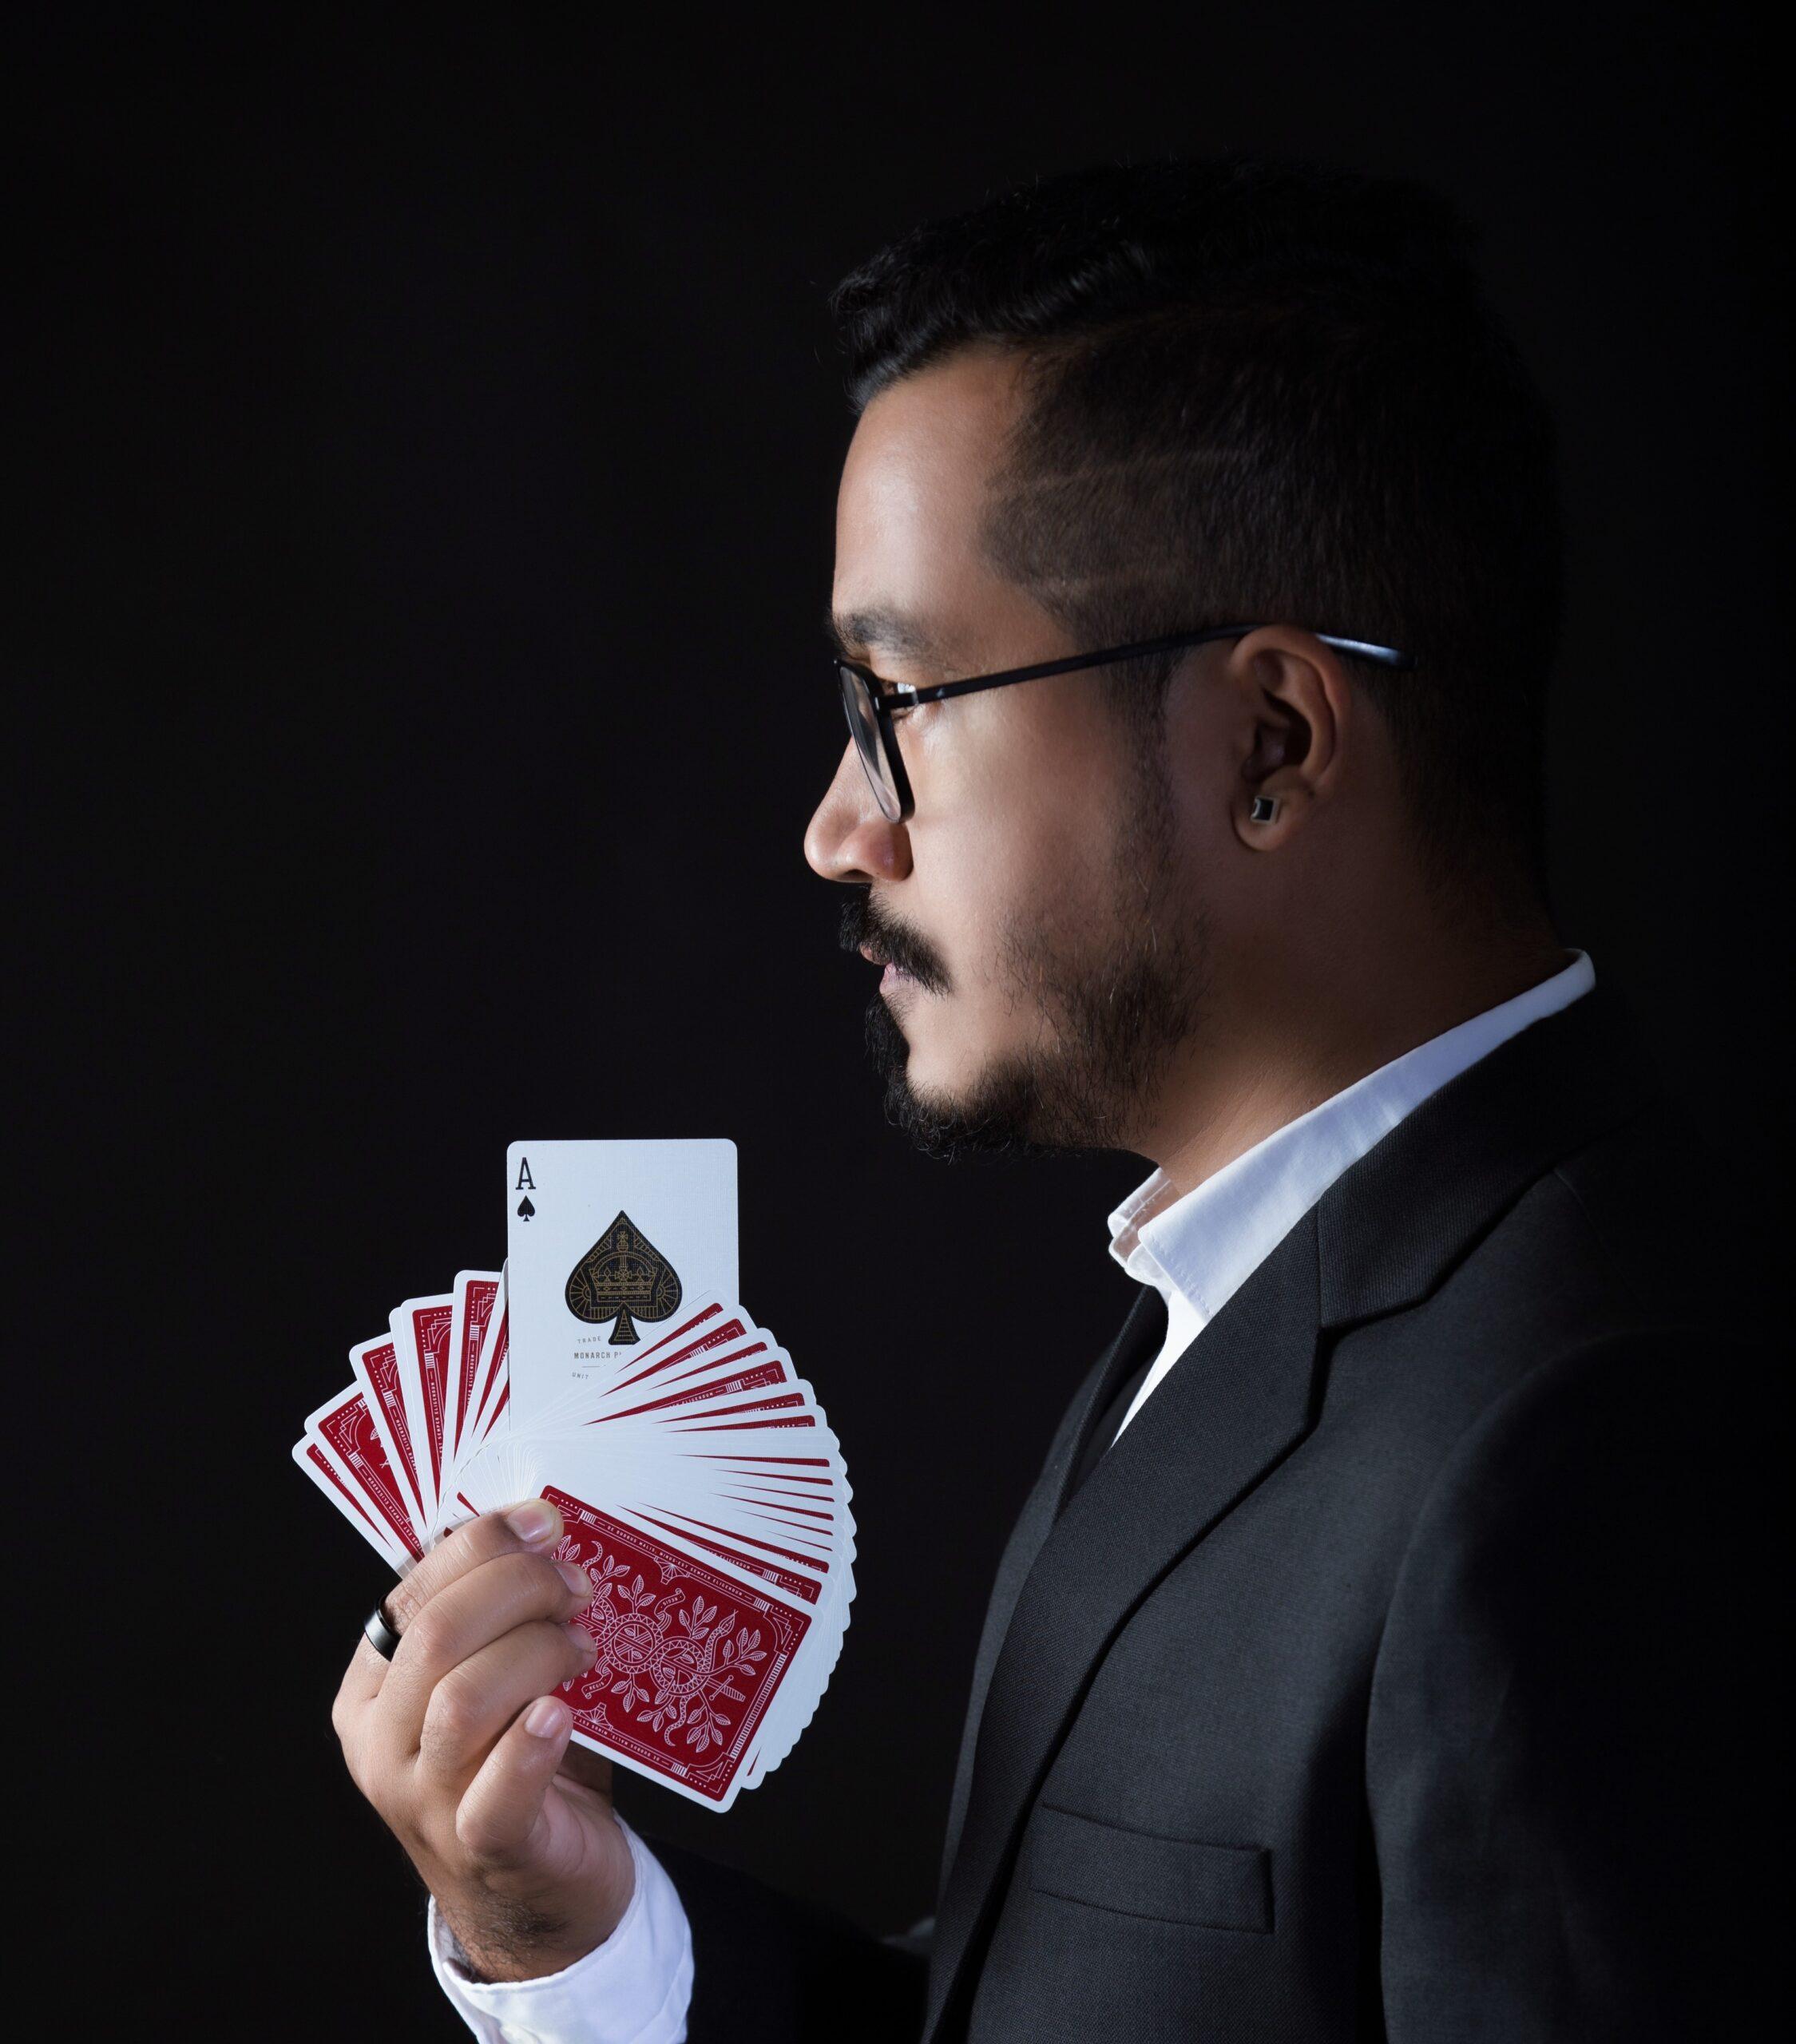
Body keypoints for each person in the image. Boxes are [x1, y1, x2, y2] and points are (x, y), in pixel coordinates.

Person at [330, 156, 1770, 2041]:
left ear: (1272, 740)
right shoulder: (1238, 1303)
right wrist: (579, 1938)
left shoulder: (1595, 1437)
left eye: (900, 706)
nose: (840, 827)